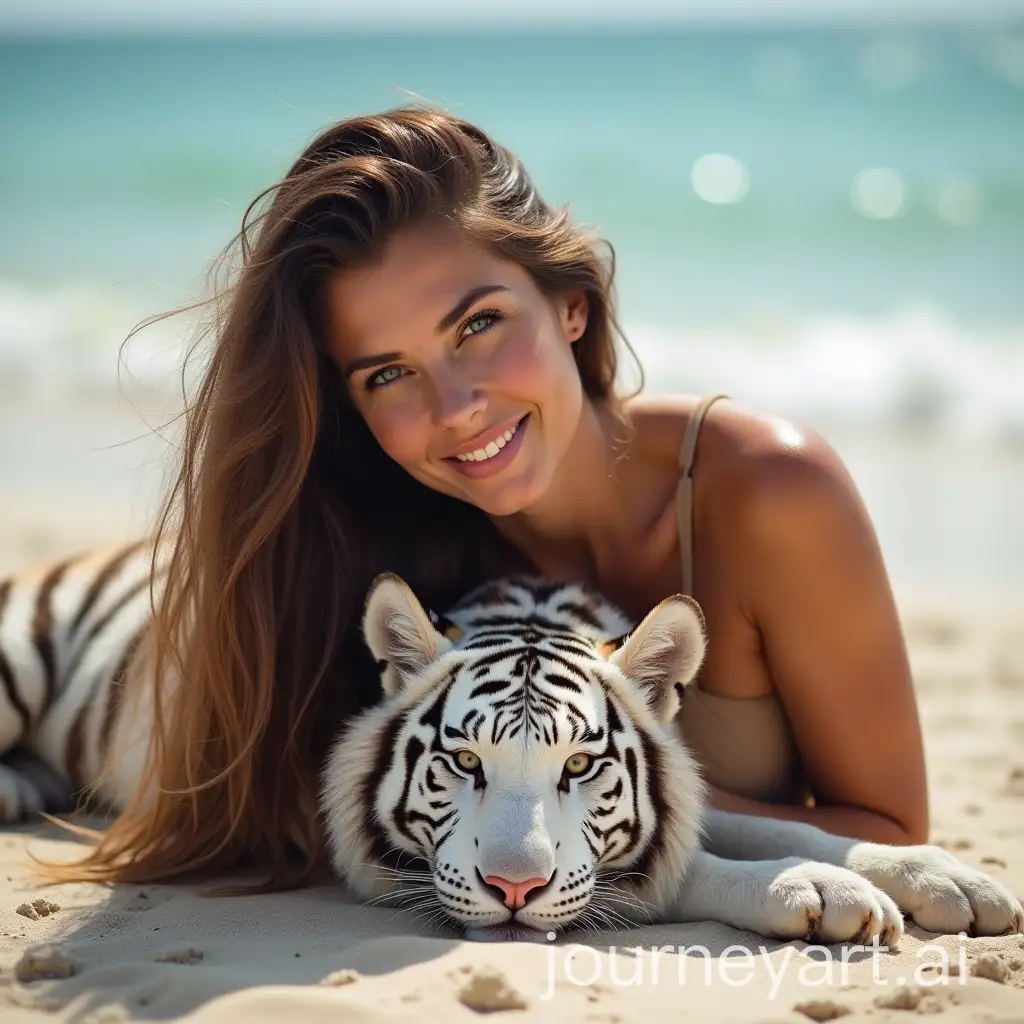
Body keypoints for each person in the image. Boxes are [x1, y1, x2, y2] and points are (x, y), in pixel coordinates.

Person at [72, 106, 928, 889]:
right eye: (388, 375)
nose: (454, 408)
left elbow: (892, 831)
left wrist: (629, 825)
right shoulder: (381, 544)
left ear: (570, 304)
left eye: (478, 324)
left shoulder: (770, 493)